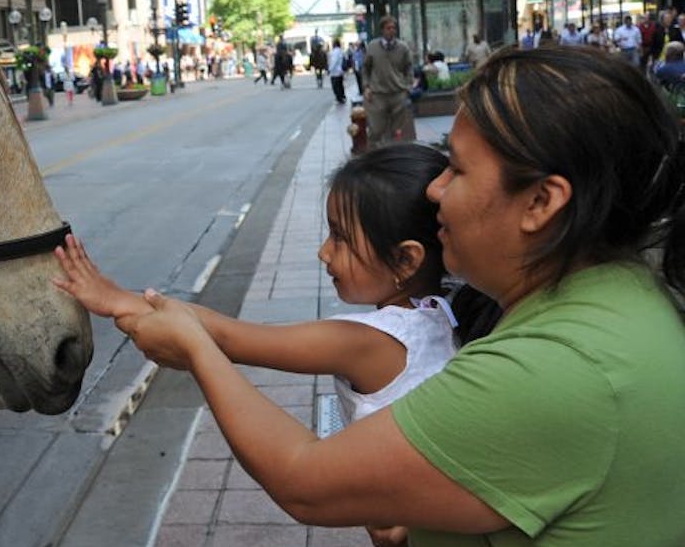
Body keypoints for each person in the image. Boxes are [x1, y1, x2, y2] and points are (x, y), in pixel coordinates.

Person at [110, 45, 685, 547]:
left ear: (540, 201)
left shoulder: (555, 371)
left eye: (457, 168)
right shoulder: (616, 298)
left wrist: (196, 350)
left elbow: (304, 481)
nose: (435, 189)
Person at [55, 144, 496, 427]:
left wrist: (117, 302)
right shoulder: (438, 313)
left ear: (405, 258)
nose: (324, 252)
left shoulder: (368, 342)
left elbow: (229, 337)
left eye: (340, 238)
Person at [362, 16, 416, 147]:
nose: (392, 31)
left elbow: (409, 68)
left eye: (394, 28)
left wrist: (408, 87)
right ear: (382, 30)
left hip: (397, 94)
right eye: (388, 28)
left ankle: (392, 158)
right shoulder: (372, 47)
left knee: (396, 132)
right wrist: (366, 87)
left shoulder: (403, 48)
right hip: (377, 95)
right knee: (376, 130)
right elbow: (365, 68)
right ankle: (373, 158)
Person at [327, 39, 347, 104]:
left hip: (335, 72)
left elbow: (334, 61)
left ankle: (339, 97)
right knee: (340, 84)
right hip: (340, 71)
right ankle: (342, 96)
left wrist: (329, 69)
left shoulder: (335, 52)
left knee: (336, 86)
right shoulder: (341, 51)